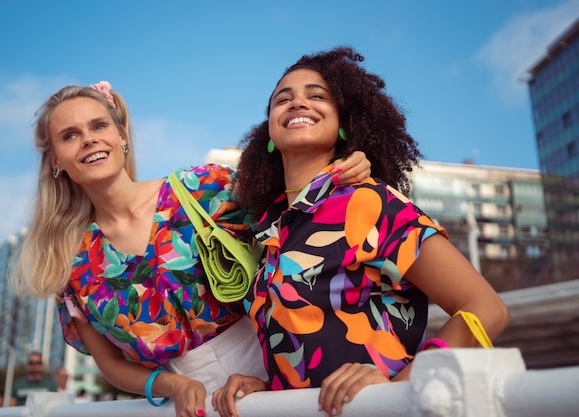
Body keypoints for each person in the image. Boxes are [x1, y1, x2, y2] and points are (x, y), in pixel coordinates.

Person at [14, 80, 370, 417]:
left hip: (282, 365)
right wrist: (169, 384)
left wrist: (343, 169)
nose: (89, 140)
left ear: (121, 135)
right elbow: (111, 365)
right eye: (70, 135)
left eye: (99, 126)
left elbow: (293, 211)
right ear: (55, 160)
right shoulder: (70, 263)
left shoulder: (201, 188)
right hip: (187, 402)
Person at [211, 46, 511, 417]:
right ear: (269, 132)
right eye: (282, 100)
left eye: (317, 96)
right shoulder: (269, 229)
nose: (298, 103)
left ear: (342, 123)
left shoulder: (370, 202)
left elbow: (488, 309)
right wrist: (269, 387)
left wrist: (402, 388)